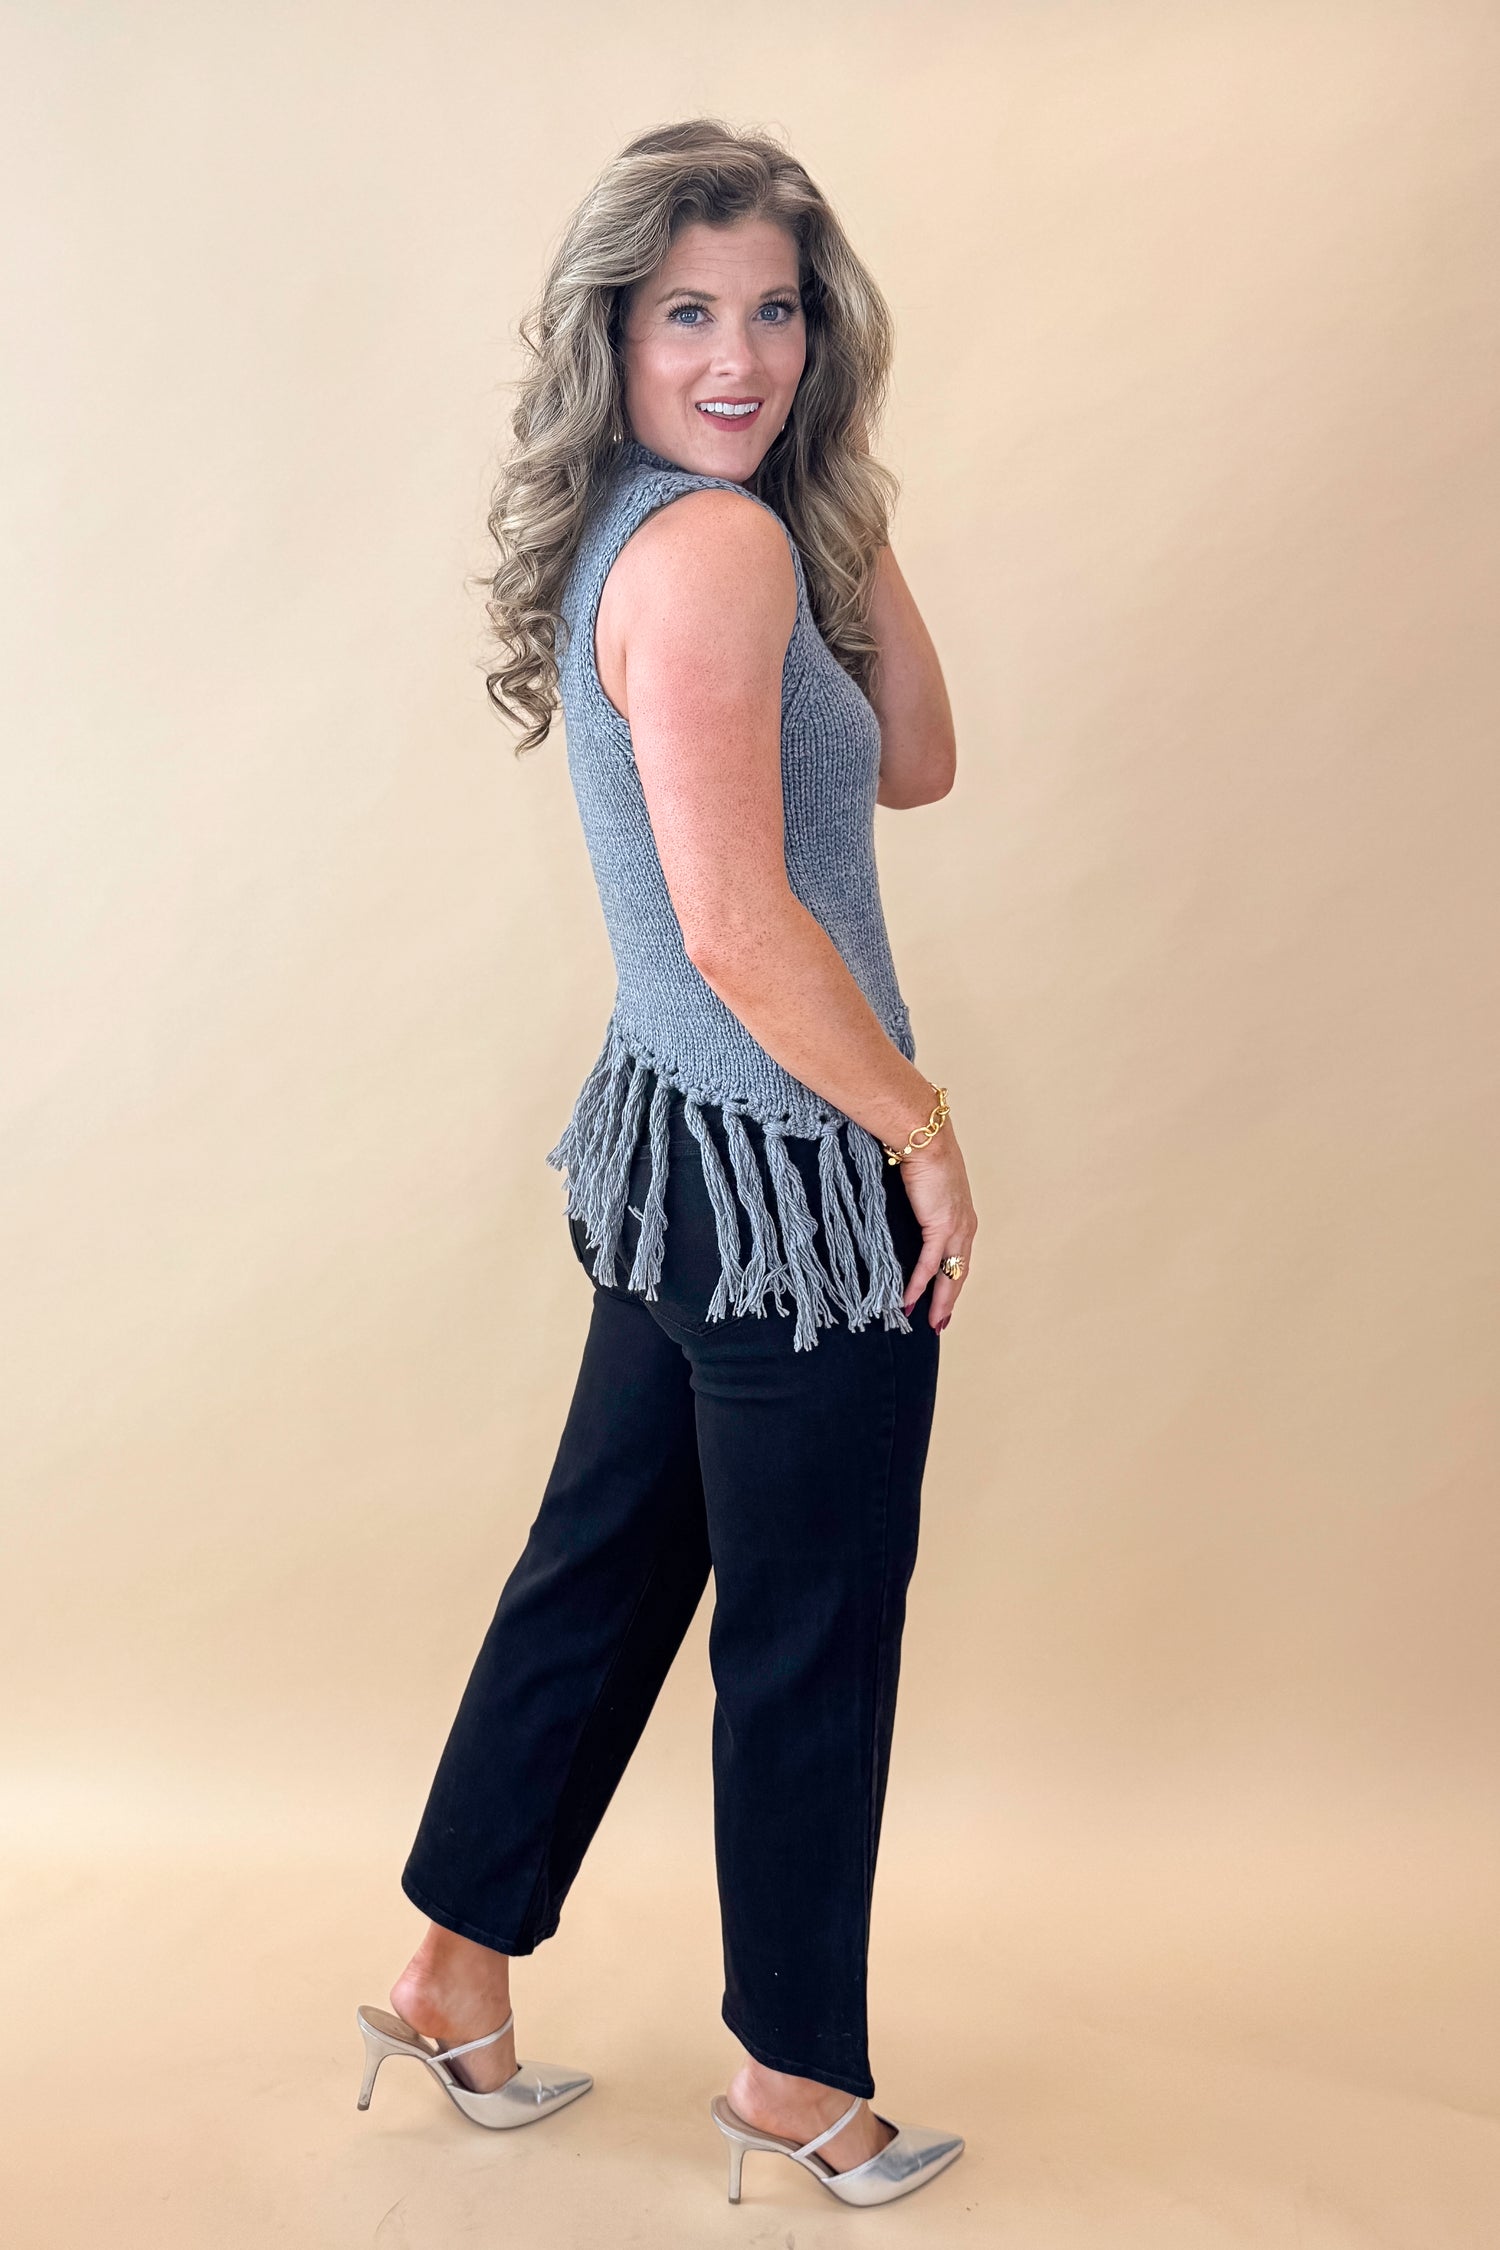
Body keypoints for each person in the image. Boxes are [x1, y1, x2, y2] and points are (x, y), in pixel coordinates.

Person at [355, 117, 977, 2211]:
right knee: (814, 1623)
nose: (739, 358)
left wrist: (832, 480)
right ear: (611, 331)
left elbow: (915, 758)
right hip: (788, 1175)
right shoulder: (710, 552)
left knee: (608, 1568)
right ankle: (794, 2076)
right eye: (689, 314)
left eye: (778, 314)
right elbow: (734, 922)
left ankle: (450, 1970)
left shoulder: (698, 522)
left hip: (673, 1149)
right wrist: (918, 1126)